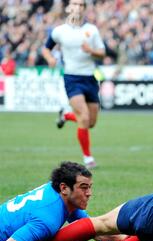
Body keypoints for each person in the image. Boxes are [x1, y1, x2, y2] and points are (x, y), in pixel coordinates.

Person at [0, 162, 124, 241]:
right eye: (83, 187)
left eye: (90, 187)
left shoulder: (63, 197)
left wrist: (130, 239)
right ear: (64, 188)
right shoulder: (48, 218)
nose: (89, 193)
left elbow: (95, 231)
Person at [42, 0, 106, 169]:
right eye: (74, 4)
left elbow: (102, 53)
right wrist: (50, 58)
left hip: (90, 78)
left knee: (90, 122)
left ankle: (65, 115)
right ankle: (88, 158)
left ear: (84, 9)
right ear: (69, 8)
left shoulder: (91, 30)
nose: (77, 7)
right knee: (84, 117)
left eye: (81, 5)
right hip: (72, 78)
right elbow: (46, 48)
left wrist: (91, 51)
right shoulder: (59, 31)